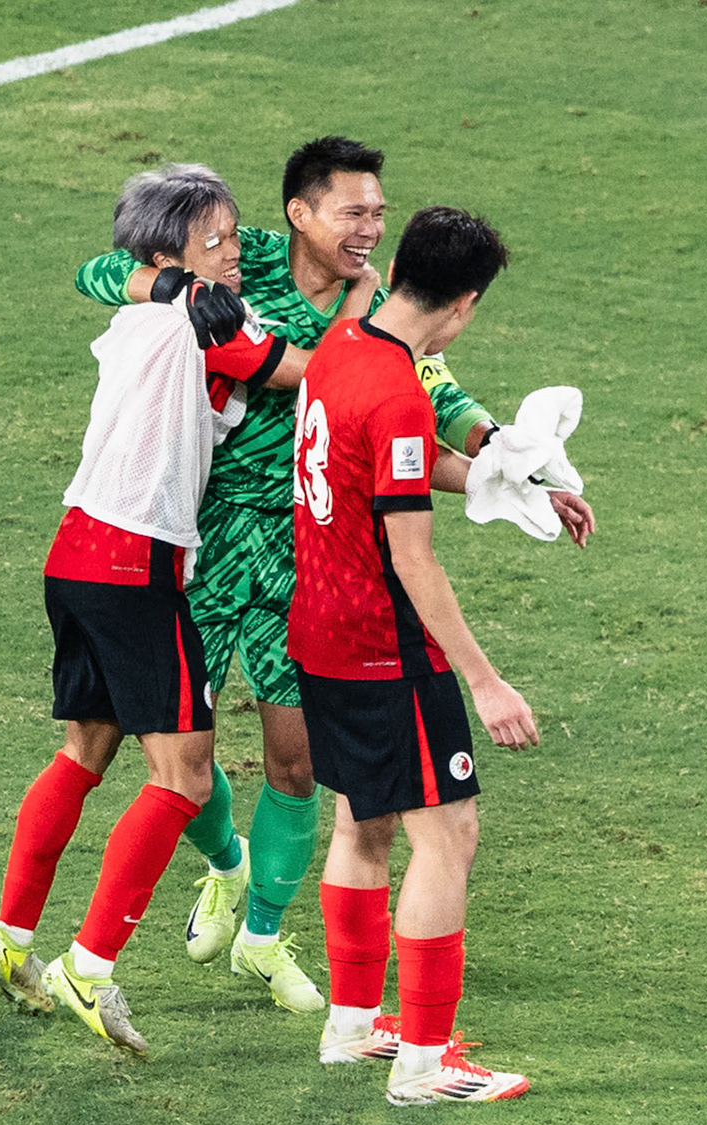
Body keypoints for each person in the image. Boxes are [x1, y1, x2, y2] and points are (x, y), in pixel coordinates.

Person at [73, 138, 595, 1015]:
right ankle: (228, 868)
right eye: (352, 212)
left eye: (378, 214)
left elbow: (437, 397)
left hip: (301, 555)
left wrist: (510, 457)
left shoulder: (379, 319)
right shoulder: (238, 261)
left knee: (297, 762)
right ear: (300, 215)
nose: (367, 229)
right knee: (181, 755)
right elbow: (97, 271)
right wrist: (171, 288)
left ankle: (265, 938)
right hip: (204, 538)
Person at [0, 164, 360, 1053]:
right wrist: (379, 321)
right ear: (166, 257)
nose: (230, 256)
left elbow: (112, 275)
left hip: (75, 551)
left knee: (84, 752)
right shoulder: (202, 322)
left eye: (232, 238)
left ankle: (9, 939)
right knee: (182, 777)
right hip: (137, 565)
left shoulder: (153, 309)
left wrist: (180, 282)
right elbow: (306, 374)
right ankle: (91, 966)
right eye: (211, 243)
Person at [290, 206, 536, 1104]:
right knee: (449, 832)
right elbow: (412, 556)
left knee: (365, 820)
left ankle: (353, 1029)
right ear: (465, 306)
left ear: (396, 267)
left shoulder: (344, 345)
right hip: (384, 646)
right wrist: (486, 680)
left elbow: (382, 459)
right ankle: (428, 1068)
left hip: (317, 627)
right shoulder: (399, 389)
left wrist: (499, 480)